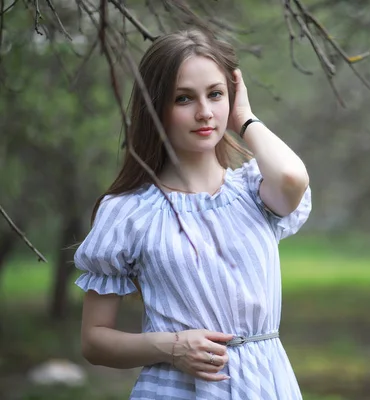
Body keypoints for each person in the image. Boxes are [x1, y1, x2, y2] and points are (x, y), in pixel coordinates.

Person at [73, 28, 311, 400]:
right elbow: (94, 341)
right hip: (177, 390)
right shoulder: (128, 212)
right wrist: (172, 346)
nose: (204, 112)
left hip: (267, 385)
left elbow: (293, 178)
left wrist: (244, 118)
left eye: (215, 94)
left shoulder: (254, 191)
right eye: (183, 98)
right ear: (156, 107)